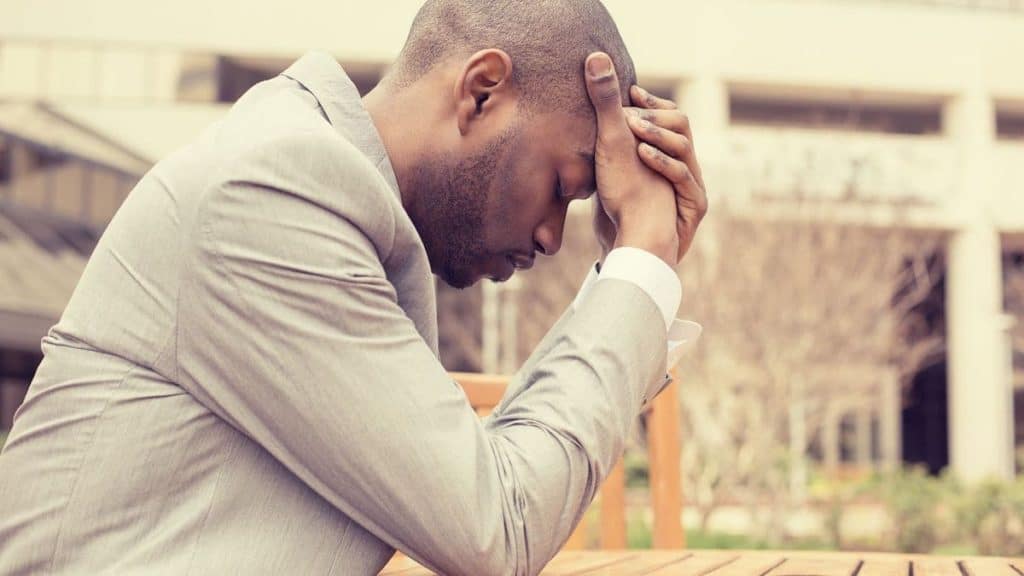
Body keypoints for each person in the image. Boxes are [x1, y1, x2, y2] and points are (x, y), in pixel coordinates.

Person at [0, 1, 707, 574]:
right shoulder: (273, 191)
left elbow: (479, 484)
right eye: (561, 186)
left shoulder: (327, 198)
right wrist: (642, 261)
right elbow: (500, 524)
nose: (553, 236)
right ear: (481, 90)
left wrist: (632, 277)